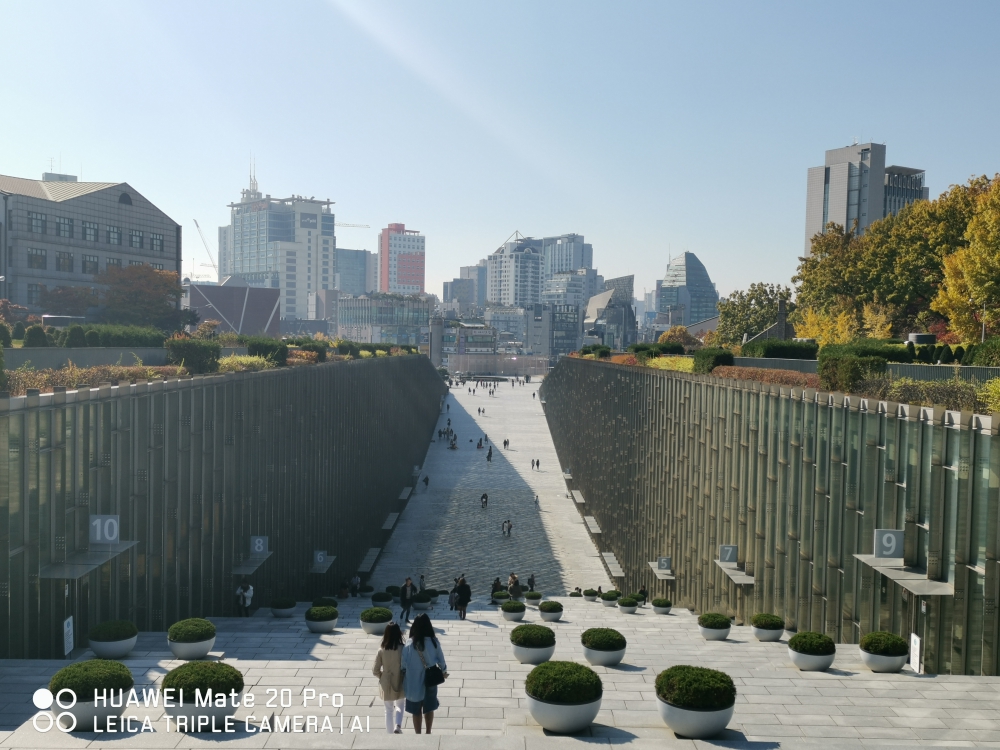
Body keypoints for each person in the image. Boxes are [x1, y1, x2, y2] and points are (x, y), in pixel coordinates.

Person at [402, 614, 447, 734]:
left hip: (413, 680)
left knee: (416, 710)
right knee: (429, 708)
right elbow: (441, 660)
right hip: (430, 679)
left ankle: (418, 733)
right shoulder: (434, 642)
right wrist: (444, 671)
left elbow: (403, 663)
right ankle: (428, 732)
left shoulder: (409, 643)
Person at [373, 623, 406, 734]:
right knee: (400, 704)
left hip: (386, 681)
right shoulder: (403, 649)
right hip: (400, 680)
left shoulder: (381, 650)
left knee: (388, 710)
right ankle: (398, 725)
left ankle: (389, 734)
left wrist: (382, 676)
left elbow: (375, 670)